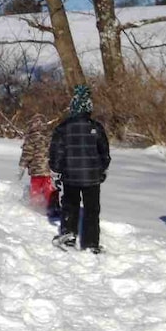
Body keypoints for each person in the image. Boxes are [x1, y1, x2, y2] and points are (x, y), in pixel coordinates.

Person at [49, 85, 110, 253]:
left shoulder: (62, 128)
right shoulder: (96, 127)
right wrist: (101, 169)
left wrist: (56, 170)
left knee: (70, 205)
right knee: (92, 210)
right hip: (92, 177)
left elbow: (56, 153)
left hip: (70, 176)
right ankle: (91, 243)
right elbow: (104, 152)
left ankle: (69, 235)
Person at [19, 113, 59, 219]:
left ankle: (36, 206)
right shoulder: (50, 136)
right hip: (48, 168)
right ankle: (51, 204)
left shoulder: (31, 137)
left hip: (36, 169)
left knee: (36, 187)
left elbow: (27, 153)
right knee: (48, 187)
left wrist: (22, 166)